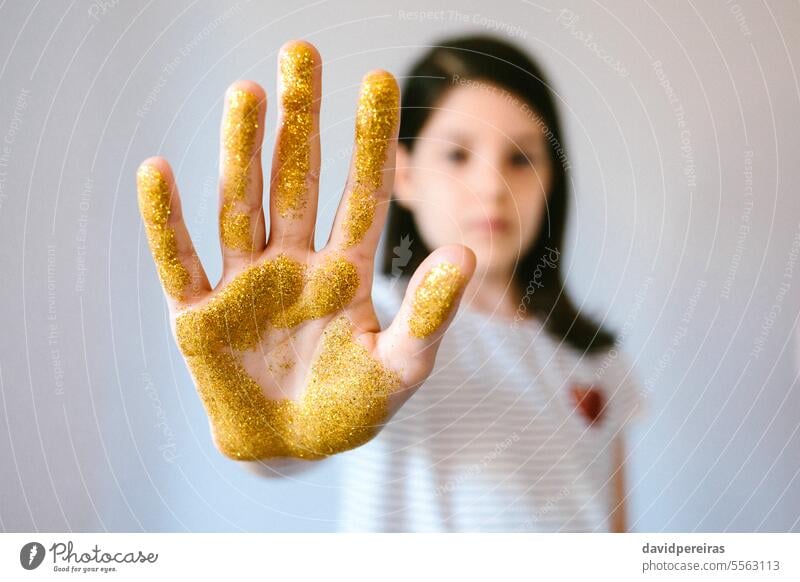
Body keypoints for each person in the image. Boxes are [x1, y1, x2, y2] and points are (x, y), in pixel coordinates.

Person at [135, 36, 643, 533]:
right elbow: (281, 458)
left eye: (521, 158)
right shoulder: (369, 325)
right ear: (405, 176)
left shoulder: (597, 358)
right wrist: (276, 431)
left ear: (551, 178)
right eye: (458, 155)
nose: (493, 185)